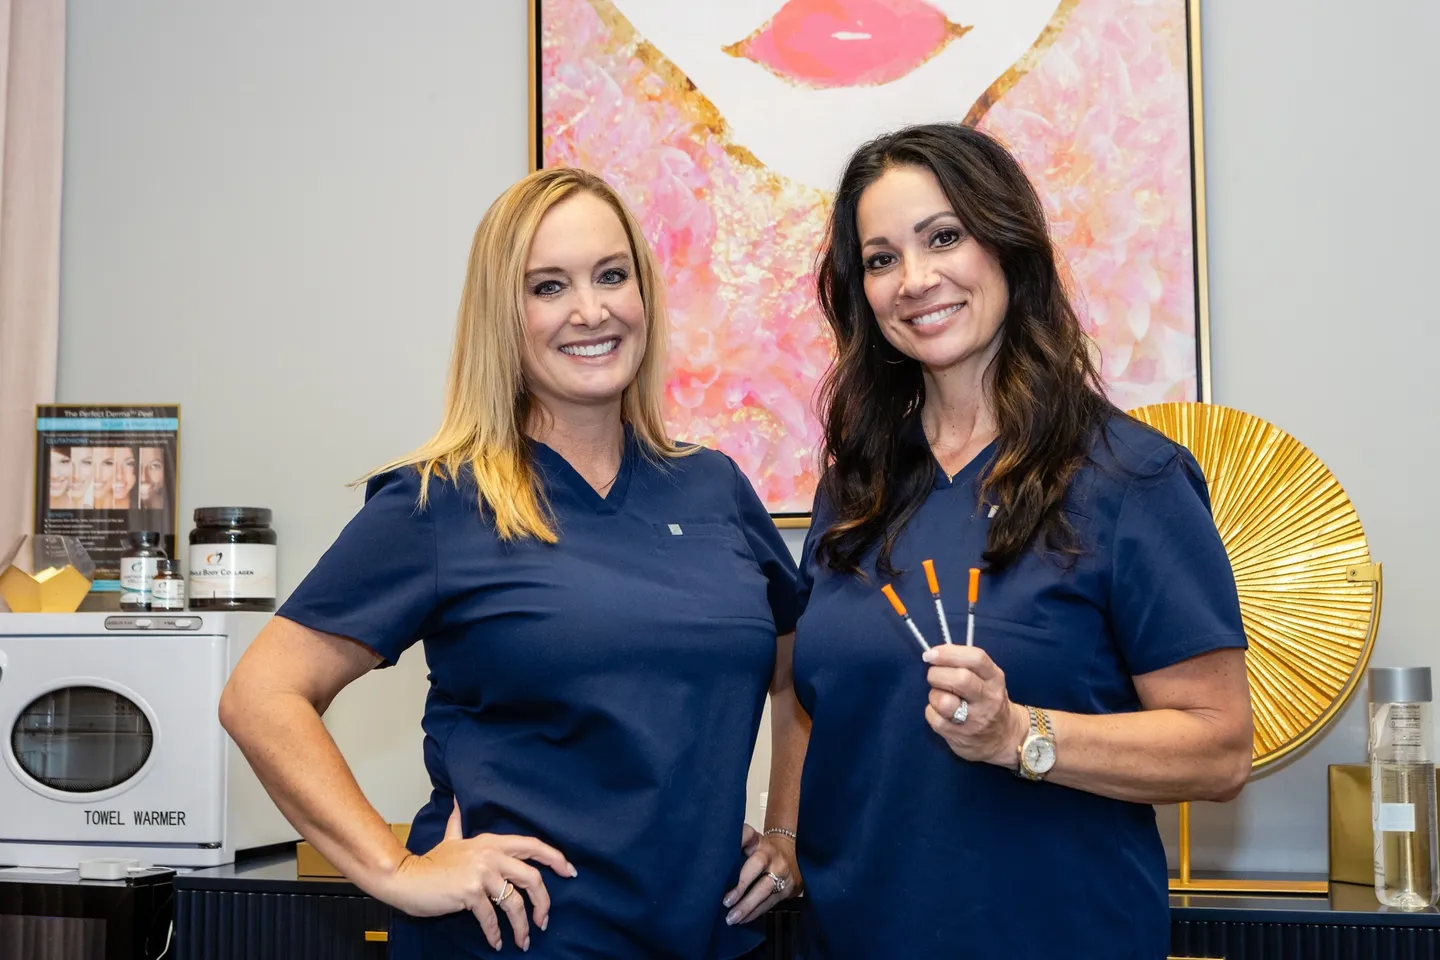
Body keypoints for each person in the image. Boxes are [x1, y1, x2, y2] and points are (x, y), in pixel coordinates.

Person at [219, 167, 808, 959]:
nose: (590, 310)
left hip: (708, 935)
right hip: (521, 940)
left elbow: (795, 666)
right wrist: (393, 868)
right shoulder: (440, 502)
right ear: (505, 315)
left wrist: (787, 830)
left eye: (611, 275)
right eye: (548, 287)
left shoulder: (714, 487)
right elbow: (261, 693)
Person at [790, 123, 1254, 959]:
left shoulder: (1130, 479)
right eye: (882, 258)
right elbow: (811, 707)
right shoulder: (853, 491)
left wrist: (1020, 736)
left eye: (944, 237)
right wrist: (782, 839)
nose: (915, 280)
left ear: (1007, 247)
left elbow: (1219, 748)